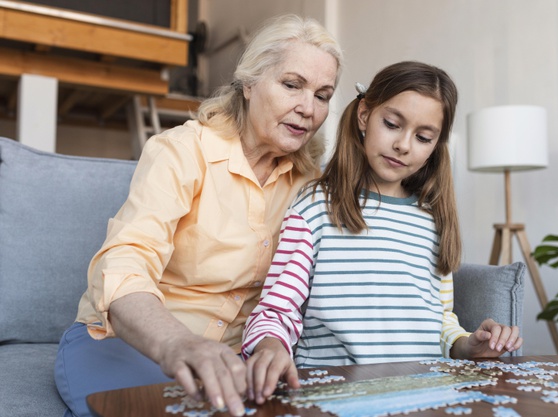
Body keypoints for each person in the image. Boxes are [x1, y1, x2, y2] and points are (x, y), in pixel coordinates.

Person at [54, 14, 343, 417]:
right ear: (249, 84)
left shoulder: (310, 184)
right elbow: (124, 264)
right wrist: (178, 343)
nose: (307, 108)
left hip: (231, 359)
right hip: (134, 341)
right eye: (292, 85)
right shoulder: (182, 151)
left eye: (323, 95)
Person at [241, 61, 524, 404]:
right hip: (332, 399)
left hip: (424, 398)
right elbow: (277, 309)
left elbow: (439, 320)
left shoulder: (433, 220)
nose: (404, 145)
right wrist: (270, 345)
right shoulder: (315, 207)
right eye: (391, 124)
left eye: (423, 137)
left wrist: (468, 344)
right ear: (364, 115)